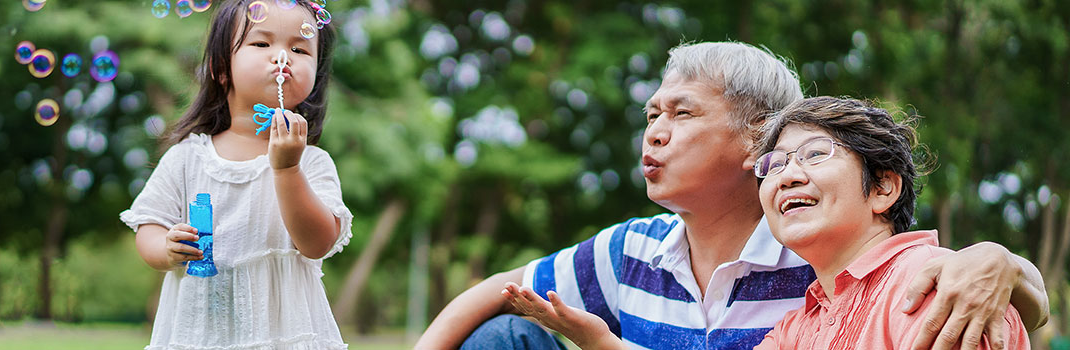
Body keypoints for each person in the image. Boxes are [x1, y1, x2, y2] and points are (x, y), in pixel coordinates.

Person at [417, 42, 1047, 350]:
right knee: (506, 337)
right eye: (650, 113)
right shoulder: (631, 249)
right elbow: (497, 288)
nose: (655, 132)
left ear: (752, 140)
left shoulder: (832, 255)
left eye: (682, 113)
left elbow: (966, 285)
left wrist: (999, 259)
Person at [507, 96, 1031, 349]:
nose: (787, 176)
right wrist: (603, 343)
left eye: (816, 155)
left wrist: (1001, 260)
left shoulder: (938, 286)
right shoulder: (801, 324)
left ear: (883, 188)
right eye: (774, 165)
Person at [120, 0, 352, 348]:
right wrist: (166, 248)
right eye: (261, 43)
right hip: (201, 334)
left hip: (283, 336)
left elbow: (317, 243)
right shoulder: (188, 159)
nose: (282, 57)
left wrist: (288, 168)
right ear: (220, 67)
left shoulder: (311, 163)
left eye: (300, 48)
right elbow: (149, 226)